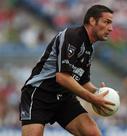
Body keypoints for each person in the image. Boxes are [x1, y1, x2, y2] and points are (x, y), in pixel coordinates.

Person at [19, 5, 114, 136]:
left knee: (93, 133)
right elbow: (62, 77)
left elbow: (82, 81)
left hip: (63, 97)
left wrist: (98, 92)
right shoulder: (72, 36)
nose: (111, 28)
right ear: (92, 21)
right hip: (39, 94)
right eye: (107, 22)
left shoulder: (89, 49)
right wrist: (92, 98)